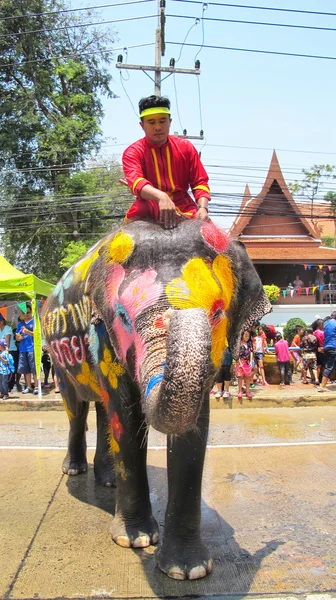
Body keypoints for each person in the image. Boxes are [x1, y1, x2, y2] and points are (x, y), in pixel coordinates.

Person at [122, 95, 210, 229]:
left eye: (162, 121)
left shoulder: (186, 148)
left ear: (170, 121)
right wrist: (161, 197)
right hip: (147, 207)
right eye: (151, 122)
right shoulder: (133, 152)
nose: (158, 127)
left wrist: (203, 208)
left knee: (218, 243)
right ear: (142, 125)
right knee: (120, 245)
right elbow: (137, 183)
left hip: (185, 209)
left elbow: (200, 182)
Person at [16, 304, 37, 395]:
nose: (26, 314)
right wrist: (20, 337)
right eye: (24, 313)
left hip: (32, 348)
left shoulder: (35, 322)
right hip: (23, 349)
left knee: (34, 369)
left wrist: (28, 332)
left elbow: (37, 335)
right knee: (25, 369)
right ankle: (28, 386)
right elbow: (17, 337)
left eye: (28, 312)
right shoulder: (20, 324)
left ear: (31, 312)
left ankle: (36, 386)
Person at [0, 314, 20, 392]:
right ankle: (3, 386)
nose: (0, 322)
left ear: (3, 321)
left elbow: (7, 342)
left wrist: (5, 352)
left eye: (1, 321)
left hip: (10, 351)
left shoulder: (8, 328)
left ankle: (9, 386)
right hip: (2, 352)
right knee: (2, 370)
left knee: (10, 369)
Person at [318, 311, 336, 392]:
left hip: (327, 347)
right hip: (333, 347)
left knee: (330, 366)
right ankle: (322, 386)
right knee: (329, 367)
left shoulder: (326, 323)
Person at [235, 330, 253, 400]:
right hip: (240, 362)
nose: (247, 337)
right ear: (242, 336)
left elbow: (251, 352)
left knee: (248, 377)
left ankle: (248, 391)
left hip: (247, 362)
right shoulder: (239, 344)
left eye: (248, 336)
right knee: (240, 377)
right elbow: (237, 354)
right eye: (245, 336)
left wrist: (251, 361)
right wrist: (240, 362)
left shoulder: (249, 344)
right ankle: (240, 391)